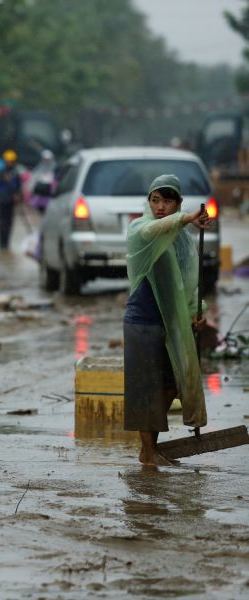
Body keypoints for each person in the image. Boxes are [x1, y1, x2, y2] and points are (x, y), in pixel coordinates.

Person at [123, 174, 209, 467]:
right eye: (155, 200)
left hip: (172, 323)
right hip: (142, 321)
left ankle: (151, 448)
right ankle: (148, 453)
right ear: (148, 202)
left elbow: (187, 285)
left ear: (178, 202)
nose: (160, 207)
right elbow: (153, 231)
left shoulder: (182, 242)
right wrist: (185, 218)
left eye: (168, 201)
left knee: (173, 383)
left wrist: (197, 312)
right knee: (146, 388)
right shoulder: (139, 229)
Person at [0, 149, 23, 251]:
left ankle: (7, 243)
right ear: (5, 161)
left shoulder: (15, 173)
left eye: (11, 161)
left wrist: (18, 196)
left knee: (9, 222)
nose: (9, 163)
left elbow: (18, 187)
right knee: (2, 222)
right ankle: (2, 244)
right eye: (8, 161)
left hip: (11, 201)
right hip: (2, 200)